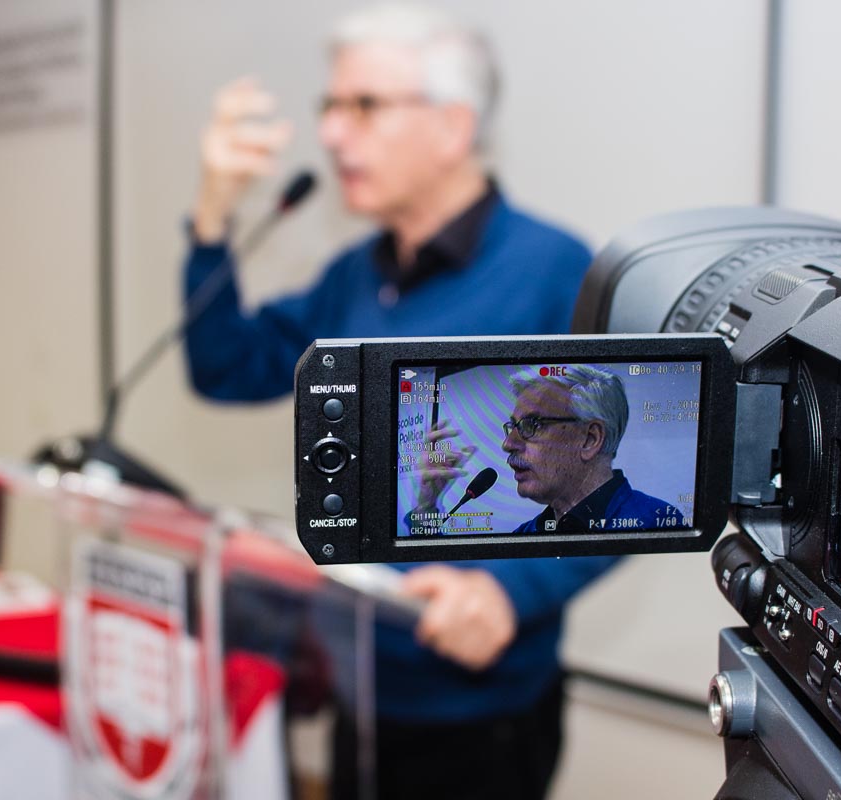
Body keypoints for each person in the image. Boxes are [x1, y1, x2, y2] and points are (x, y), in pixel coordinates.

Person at [181, 5, 616, 797]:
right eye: (330, 106)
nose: (332, 134)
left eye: (364, 106)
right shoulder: (355, 275)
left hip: (481, 712)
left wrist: (509, 592)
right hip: (360, 678)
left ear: (453, 126)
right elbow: (225, 366)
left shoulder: (552, 269)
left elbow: (621, 470)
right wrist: (212, 221)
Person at [500, 365, 686, 533]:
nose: (508, 444)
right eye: (513, 426)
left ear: (590, 439)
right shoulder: (523, 534)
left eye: (532, 425)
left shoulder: (657, 522)